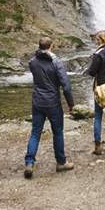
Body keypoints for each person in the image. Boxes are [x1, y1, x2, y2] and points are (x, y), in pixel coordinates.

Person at [23, 37, 75, 178]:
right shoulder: (56, 62)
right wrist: (71, 104)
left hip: (38, 101)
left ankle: (29, 163)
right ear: (51, 46)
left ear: (39, 46)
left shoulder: (33, 62)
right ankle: (61, 162)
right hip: (53, 102)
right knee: (57, 132)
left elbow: (37, 62)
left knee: (35, 133)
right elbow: (66, 86)